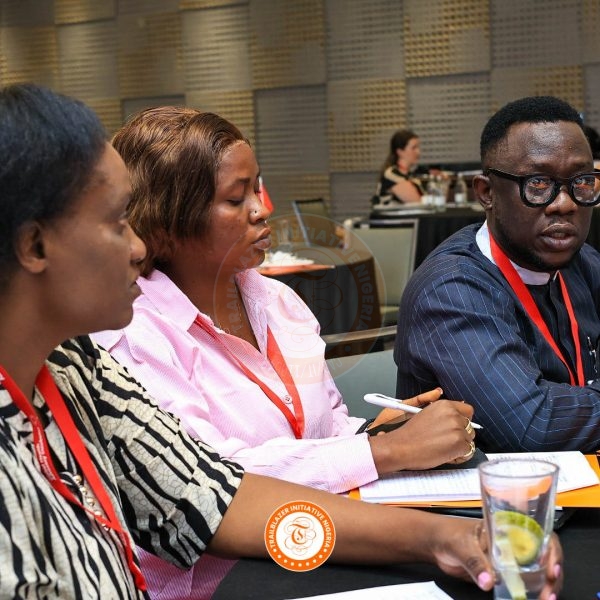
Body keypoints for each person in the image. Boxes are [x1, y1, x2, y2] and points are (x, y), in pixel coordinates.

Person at [0, 82, 539, 600]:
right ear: (35, 246)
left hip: (295, 553)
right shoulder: (121, 341)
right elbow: (226, 485)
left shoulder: (77, 366)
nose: (137, 246)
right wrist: (383, 452)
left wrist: (442, 535)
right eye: (118, 221)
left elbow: (214, 496)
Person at [91, 106, 480, 597]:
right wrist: (386, 451)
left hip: (319, 545)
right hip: (217, 583)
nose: (262, 209)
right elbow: (212, 482)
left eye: (258, 188)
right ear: (169, 222)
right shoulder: (133, 333)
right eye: (237, 198)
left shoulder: (278, 300)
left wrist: (379, 431)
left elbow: (328, 424)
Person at [395, 95, 600, 453]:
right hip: (488, 486)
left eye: (581, 181)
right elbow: (534, 425)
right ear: (487, 193)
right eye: (538, 183)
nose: (565, 203)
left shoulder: (584, 262)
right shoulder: (451, 289)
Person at [373, 129, 425, 205]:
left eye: (418, 147)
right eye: (413, 148)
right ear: (400, 152)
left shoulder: (411, 176)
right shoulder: (392, 174)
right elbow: (417, 203)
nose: (418, 152)